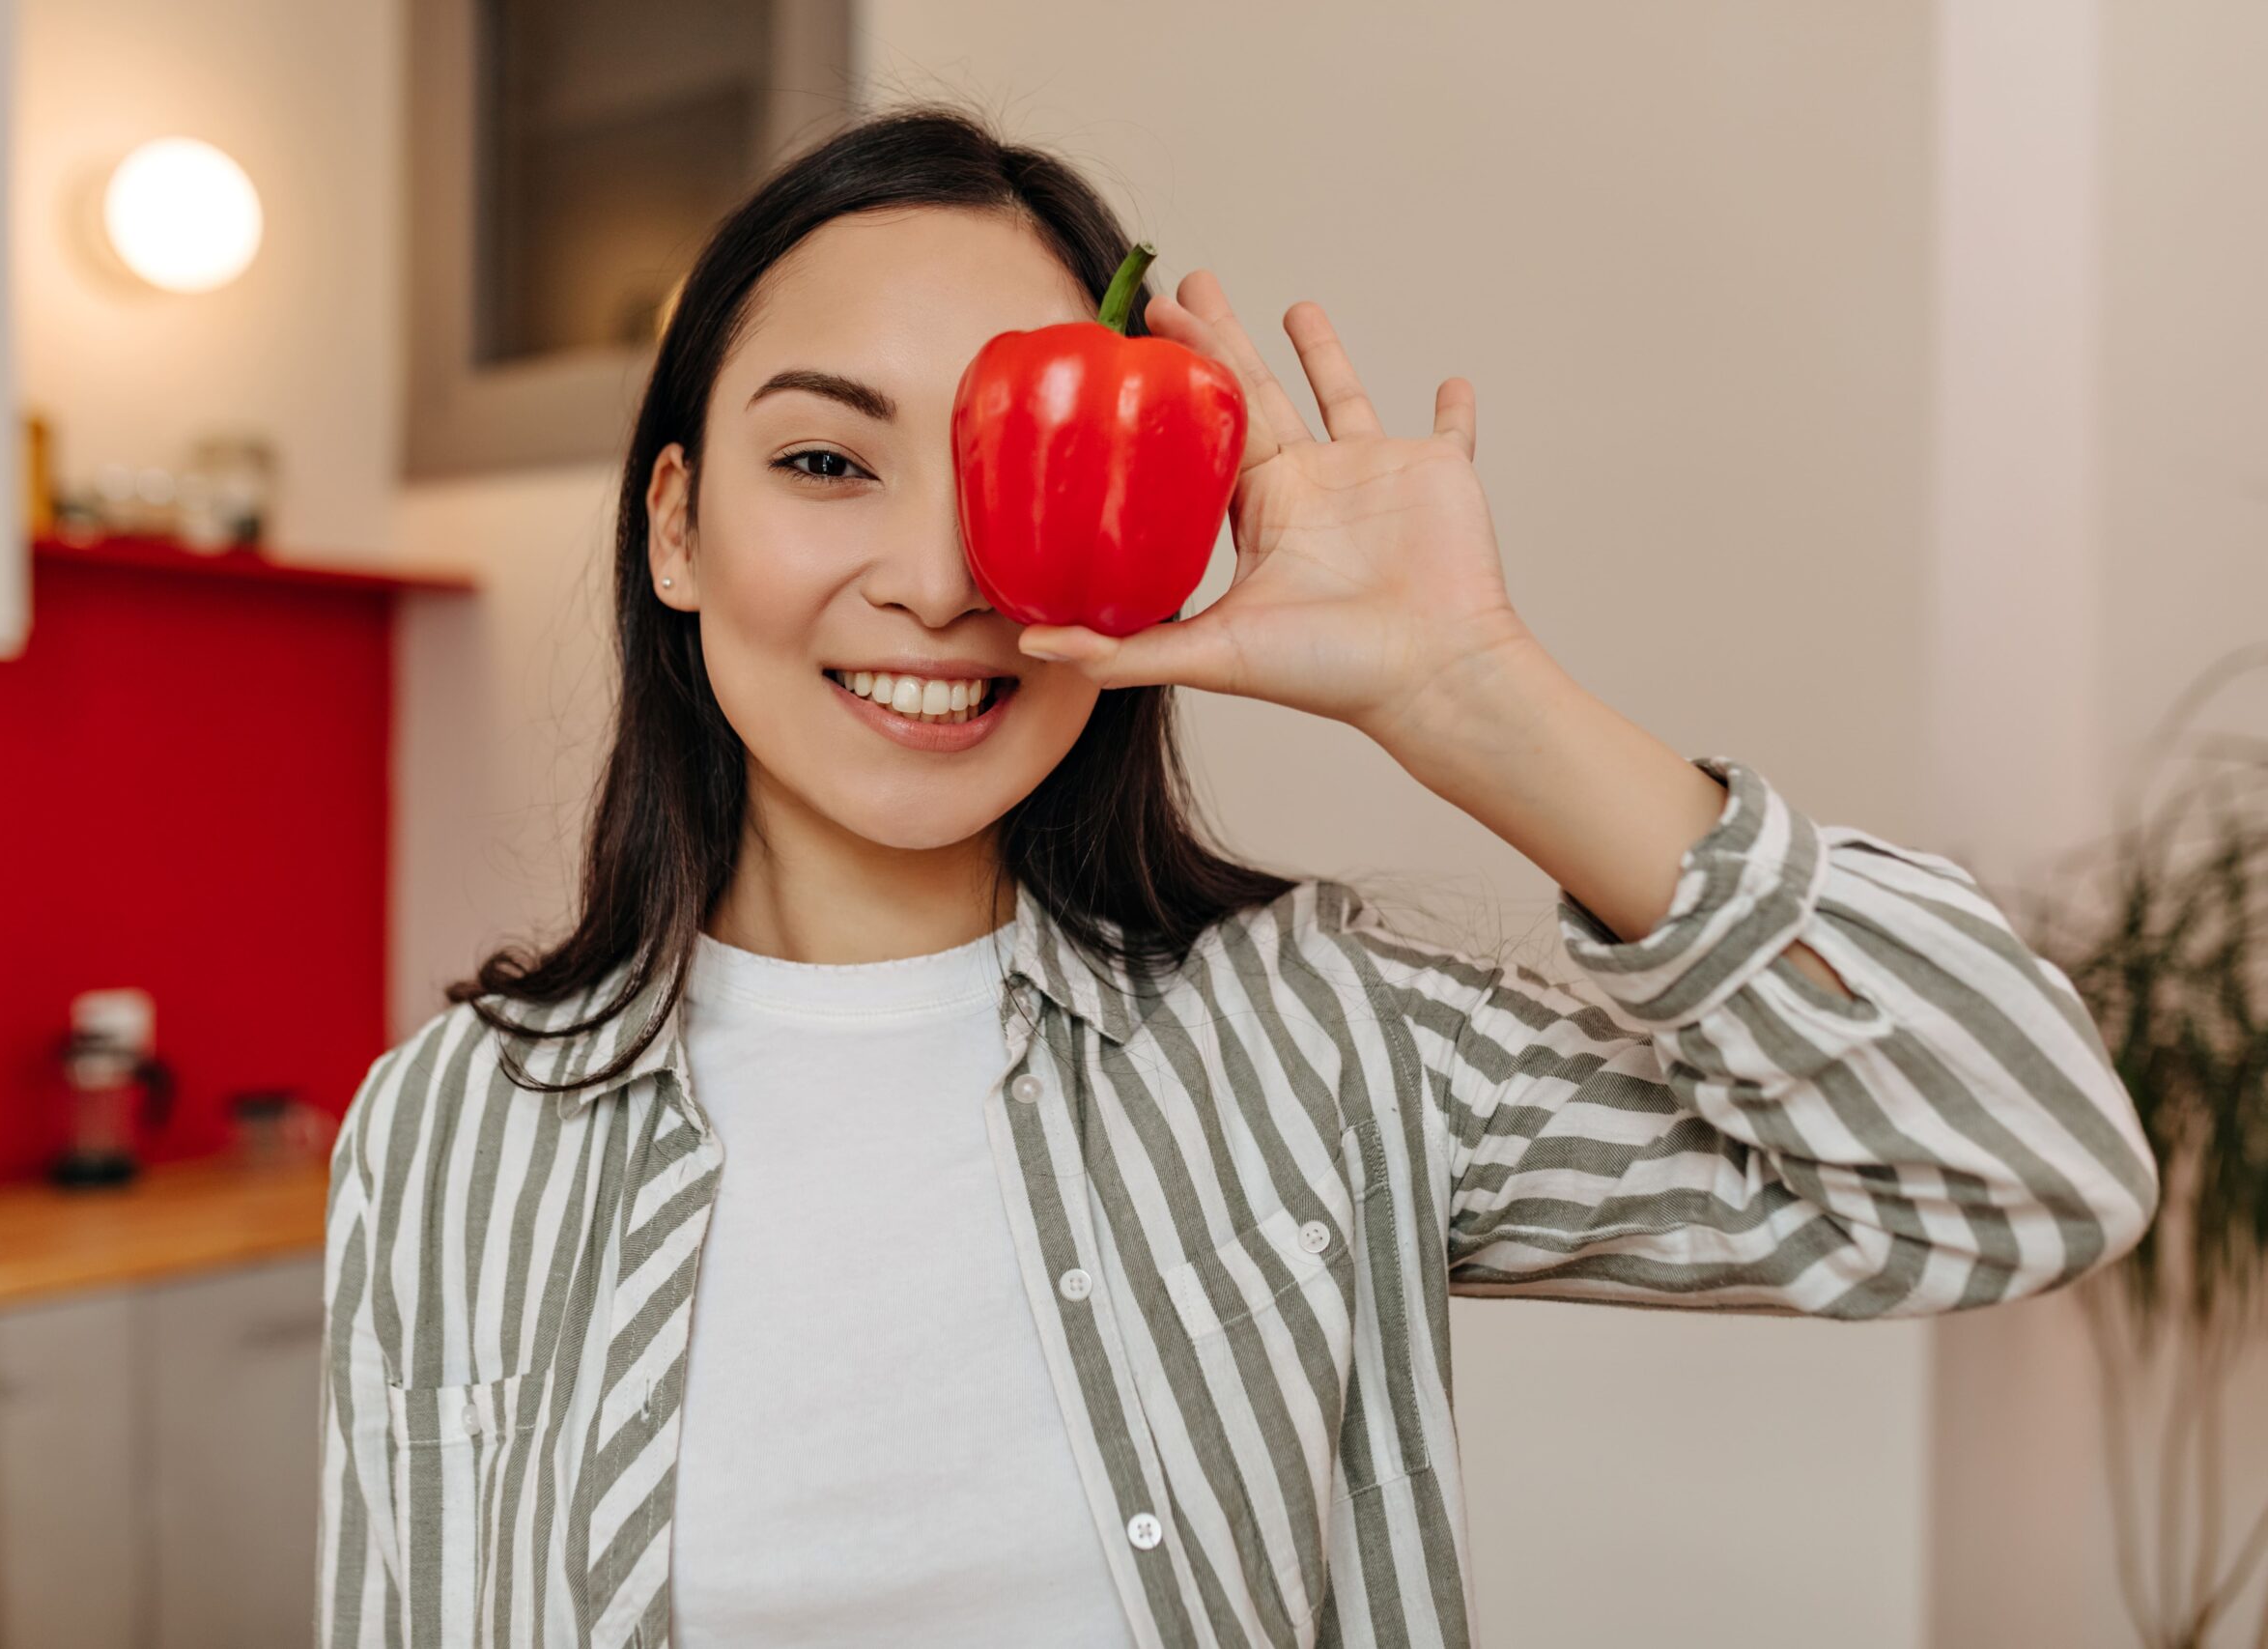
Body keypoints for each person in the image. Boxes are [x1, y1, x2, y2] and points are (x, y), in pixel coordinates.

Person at [315, 104, 2159, 1649]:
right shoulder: (450, 1131)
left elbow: (2015, 1171)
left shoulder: (1321, 1036)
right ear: (674, 526)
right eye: (824, 459)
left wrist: (1477, 696)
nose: (940, 584)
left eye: (1013, 475)